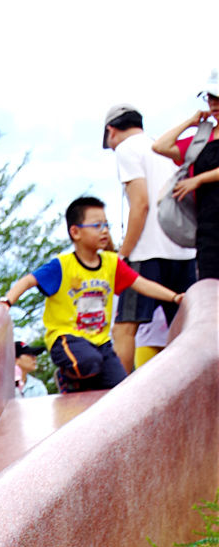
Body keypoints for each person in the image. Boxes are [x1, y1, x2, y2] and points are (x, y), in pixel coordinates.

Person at [0, 196, 185, 391]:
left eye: (106, 224)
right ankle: (66, 377)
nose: (104, 230)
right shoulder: (62, 265)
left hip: (100, 342)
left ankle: (80, 383)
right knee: (88, 361)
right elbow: (28, 280)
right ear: (75, 232)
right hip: (66, 338)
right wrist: (7, 302)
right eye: (96, 225)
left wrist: (174, 297)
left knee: (119, 386)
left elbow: (141, 284)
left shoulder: (111, 263)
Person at [101, 104, 196, 373]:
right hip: (182, 248)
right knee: (184, 326)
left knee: (125, 327)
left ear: (111, 131)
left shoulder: (126, 149)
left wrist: (124, 254)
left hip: (147, 250)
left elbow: (140, 204)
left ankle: (118, 394)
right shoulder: (159, 147)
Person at [152, 74, 219, 281]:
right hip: (209, 229)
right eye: (210, 98)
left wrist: (199, 179)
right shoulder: (202, 138)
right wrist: (190, 122)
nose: (214, 104)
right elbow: (160, 146)